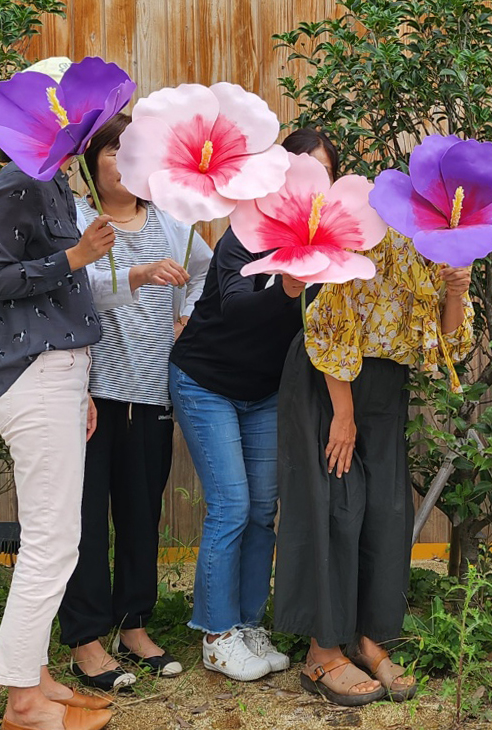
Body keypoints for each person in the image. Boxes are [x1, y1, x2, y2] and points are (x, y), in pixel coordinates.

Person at [0, 57, 118, 730]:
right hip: (34, 376)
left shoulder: (55, 185)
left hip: (58, 375)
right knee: (54, 541)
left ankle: (35, 675)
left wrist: (80, 385)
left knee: (58, 535)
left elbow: (61, 300)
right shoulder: (18, 184)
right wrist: (75, 257)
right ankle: (23, 702)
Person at [273, 216, 473, 706]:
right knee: (336, 506)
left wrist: (455, 291)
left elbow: (445, 341)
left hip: (385, 382)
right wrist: (343, 413)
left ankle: (368, 638)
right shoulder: (371, 230)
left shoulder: (438, 244)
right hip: (330, 380)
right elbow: (329, 321)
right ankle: (322, 651)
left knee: (385, 510)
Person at [168, 128, 338, 682]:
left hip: (263, 392)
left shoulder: (330, 248)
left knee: (264, 509)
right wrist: (285, 291)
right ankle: (217, 635)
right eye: (300, 171)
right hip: (206, 382)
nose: (311, 186)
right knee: (232, 506)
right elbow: (238, 307)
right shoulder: (245, 236)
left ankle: (247, 623)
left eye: (324, 175)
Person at [59, 113, 211, 690]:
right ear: (90, 163)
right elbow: (72, 286)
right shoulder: (78, 220)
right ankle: (87, 639)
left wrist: (188, 317)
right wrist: (139, 277)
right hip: (92, 394)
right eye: (114, 153)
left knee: (142, 517)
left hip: (151, 393)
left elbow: (201, 273)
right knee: (86, 521)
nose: (126, 164)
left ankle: (134, 626)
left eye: (135, 153)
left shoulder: (171, 222)